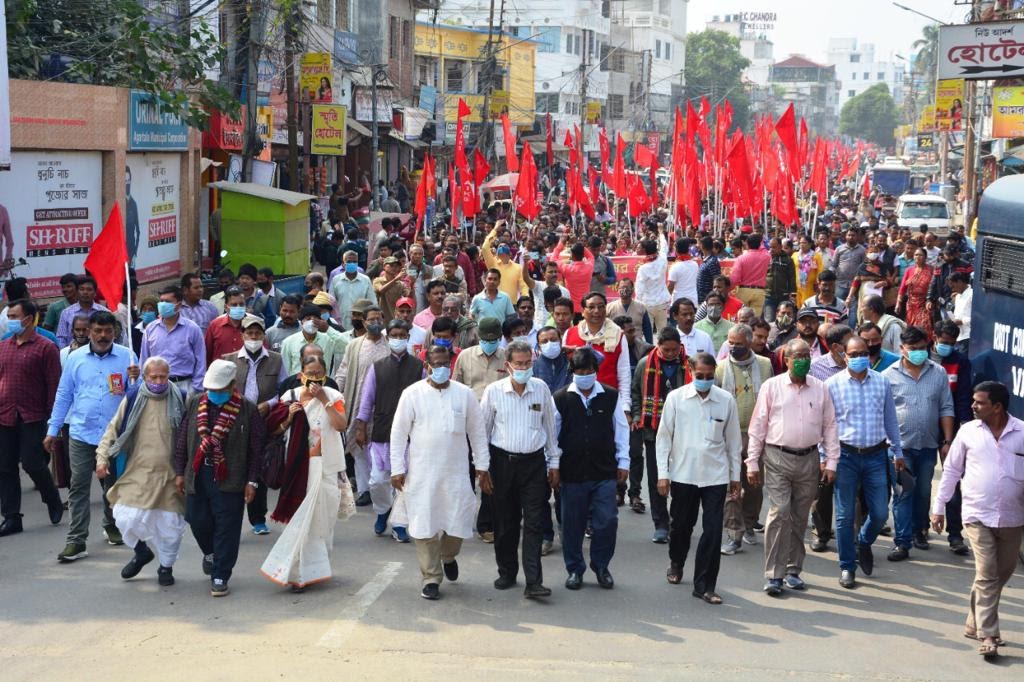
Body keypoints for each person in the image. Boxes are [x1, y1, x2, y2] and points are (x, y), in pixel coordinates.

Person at [930, 381, 1024, 660]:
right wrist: (938, 508)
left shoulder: (1021, 432)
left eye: (980, 402)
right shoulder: (968, 432)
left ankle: (973, 622)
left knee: (1001, 573)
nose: (973, 406)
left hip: (1013, 516)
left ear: (997, 407)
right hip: (977, 514)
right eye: (973, 400)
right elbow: (951, 471)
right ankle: (989, 634)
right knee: (986, 573)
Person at [389, 344, 491, 600]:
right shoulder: (412, 394)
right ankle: (431, 577)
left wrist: (482, 465)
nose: (442, 368)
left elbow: (477, 432)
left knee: (457, 522)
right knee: (424, 524)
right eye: (437, 364)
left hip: (456, 473)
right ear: (427, 366)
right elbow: (398, 433)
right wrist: (397, 468)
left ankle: (448, 556)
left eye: (446, 364)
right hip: (422, 473)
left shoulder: (464, 394)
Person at [746, 339, 839, 595]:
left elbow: (830, 426)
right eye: (797, 356)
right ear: (786, 360)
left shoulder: (820, 388)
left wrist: (832, 461)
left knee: (799, 516)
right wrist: (752, 462)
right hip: (777, 457)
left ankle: (792, 569)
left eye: (806, 355)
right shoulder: (772, 386)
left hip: (809, 459)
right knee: (780, 512)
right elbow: (758, 426)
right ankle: (773, 575)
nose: (803, 360)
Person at [46, 311, 140, 562]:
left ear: (115, 332)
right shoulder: (75, 358)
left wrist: (136, 379)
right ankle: (76, 540)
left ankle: (112, 524)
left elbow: (138, 397)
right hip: (81, 432)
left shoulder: (128, 357)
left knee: (112, 485)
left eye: (108, 331)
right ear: (89, 332)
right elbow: (64, 394)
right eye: (97, 330)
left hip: (114, 435)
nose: (102, 335)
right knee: (78, 485)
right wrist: (53, 430)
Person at [261, 355, 354, 592]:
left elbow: (341, 425)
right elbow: (274, 430)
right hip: (297, 467)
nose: (314, 378)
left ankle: (315, 569)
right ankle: (295, 574)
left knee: (321, 522)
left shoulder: (333, 396)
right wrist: (289, 418)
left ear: (325, 375)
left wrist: (324, 400)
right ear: (301, 375)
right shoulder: (289, 396)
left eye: (318, 374)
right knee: (299, 520)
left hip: (325, 466)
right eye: (310, 374)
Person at [174, 359, 266, 597]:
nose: (214, 393)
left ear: (233, 385)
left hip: (230, 476)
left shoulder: (247, 409)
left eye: (220, 389)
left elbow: (256, 448)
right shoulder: (195, 402)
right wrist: (179, 472)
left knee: (227, 527)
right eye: (211, 389)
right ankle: (211, 553)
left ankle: (220, 575)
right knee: (197, 519)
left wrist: (252, 481)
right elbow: (183, 438)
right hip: (198, 473)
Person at [656, 352, 741, 604]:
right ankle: (677, 561)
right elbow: (663, 438)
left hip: (716, 476)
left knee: (713, 532)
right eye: (700, 375)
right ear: (690, 370)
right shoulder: (676, 398)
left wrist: (735, 476)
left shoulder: (725, 400)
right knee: (681, 526)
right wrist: (663, 475)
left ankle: (704, 585)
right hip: (683, 474)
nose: (704, 380)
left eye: (709, 376)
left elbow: (733, 442)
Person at [94, 356, 186, 586]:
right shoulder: (134, 397)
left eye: (163, 376)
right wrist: (102, 458)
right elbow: (113, 428)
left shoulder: (182, 398)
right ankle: (141, 551)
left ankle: (166, 567)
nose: (159, 381)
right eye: (153, 377)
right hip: (138, 471)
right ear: (144, 377)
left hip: (171, 474)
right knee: (124, 515)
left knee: (170, 525)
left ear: (169, 376)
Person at [480, 340, 560, 599]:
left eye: (528, 364)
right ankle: (507, 571)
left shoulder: (541, 389)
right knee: (505, 523)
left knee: (535, 522)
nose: (524, 368)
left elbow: (550, 428)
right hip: (501, 463)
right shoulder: (494, 391)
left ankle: (534, 581)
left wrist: (554, 463)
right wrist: (482, 469)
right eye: (519, 364)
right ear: (508, 366)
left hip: (534, 465)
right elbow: (483, 432)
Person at [826, 335, 903, 589]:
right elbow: (826, 425)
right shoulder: (832, 385)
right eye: (854, 354)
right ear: (844, 356)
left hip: (876, 455)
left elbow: (890, 420)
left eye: (863, 353)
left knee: (880, 512)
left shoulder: (881, 382)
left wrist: (898, 452)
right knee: (844, 515)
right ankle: (847, 566)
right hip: (845, 456)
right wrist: (826, 457)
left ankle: (864, 541)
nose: (859, 358)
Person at [553, 347, 629, 590]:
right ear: (572, 372)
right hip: (572, 472)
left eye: (588, 371)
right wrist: (553, 466)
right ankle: (575, 569)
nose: (584, 375)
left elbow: (621, 430)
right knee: (572, 525)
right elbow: (552, 435)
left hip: (604, 470)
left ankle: (601, 565)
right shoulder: (560, 398)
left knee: (607, 521)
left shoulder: (611, 396)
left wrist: (623, 462)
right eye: (579, 371)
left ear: (595, 371)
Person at [882, 326, 955, 562]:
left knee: (923, 491)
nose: (918, 353)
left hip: (928, 445)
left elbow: (946, 407)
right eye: (913, 349)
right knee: (903, 493)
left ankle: (919, 531)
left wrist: (947, 441)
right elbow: (882, 413)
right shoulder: (888, 376)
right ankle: (902, 542)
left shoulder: (938, 373)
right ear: (902, 349)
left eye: (922, 348)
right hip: (900, 448)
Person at [353, 319, 423, 542]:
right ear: (387, 337)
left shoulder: (419, 367)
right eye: (394, 335)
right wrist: (361, 427)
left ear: (408, 337)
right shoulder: (378, 367)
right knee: (378, 480)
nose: (398, 339)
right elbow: (367, 400)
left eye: (402, 335)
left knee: (405, 482)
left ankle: (399, 524)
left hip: (411, 435)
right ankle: (383, 510)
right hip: (382, 431)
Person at [0, 299, 64, 535]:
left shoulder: (46, 347)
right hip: (5, 414)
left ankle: (52, 498)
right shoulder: (3, 346)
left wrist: (53, 421)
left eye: (14, 317)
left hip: (34, 416)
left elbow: (54, 385)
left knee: (32, 463)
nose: (10, 321)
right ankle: (11, 517)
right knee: (5, 467)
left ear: (28, 319)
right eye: (9, 316)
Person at [224, 314, 286, 534]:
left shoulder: (276, 360)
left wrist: (269, 404)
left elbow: (283, 390)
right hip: (235, 420)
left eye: (258, 333)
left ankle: (258, 518)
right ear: (242, 335)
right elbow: (222, 388)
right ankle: (231, 518)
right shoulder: (229, 360)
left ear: (263, 336)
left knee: (258, 466)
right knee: (234, 467)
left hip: (264, 419)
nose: (253, 337)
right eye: (249, 333)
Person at [716, 324, 773, 555]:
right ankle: (734, 534)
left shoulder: (765, 364)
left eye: (738, 343)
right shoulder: (721, 367)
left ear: (749, 342)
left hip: (757, 435)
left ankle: (749, 524)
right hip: (729, 434)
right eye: (730, 342)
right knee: (732, 486)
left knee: (754, 485)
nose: (733, 347)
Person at [630, 326, 690, 543]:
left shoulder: (689, 365)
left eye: (675, 350)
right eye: (666, 350)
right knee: (657, 478)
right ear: (658, 346)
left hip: (683, 431)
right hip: (653, 430)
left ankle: (678, 521)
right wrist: (638, 416)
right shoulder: (644, 364)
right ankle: (661, 524)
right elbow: (635, 393)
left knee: (681, 479)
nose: (671, 354)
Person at [336, 305, 390, 507]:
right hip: (357, 401)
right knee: (358, 447)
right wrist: (337, 393)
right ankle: (365, 489)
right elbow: (343, 371)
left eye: (378, 319)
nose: (375, 323)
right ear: (364, 322)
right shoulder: (354, 345)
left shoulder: (390, 344)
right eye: (371, 319)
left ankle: (382, 489)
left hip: (383, 405)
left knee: (380, 446)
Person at [562, 292, 632, 415]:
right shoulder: (570, 334)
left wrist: (625, 406)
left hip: (607, 399)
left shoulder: (618, 335)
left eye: (601, 307)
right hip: (575, 400)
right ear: (582, 311)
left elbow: (624, 373)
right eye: (591, 307)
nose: (596, 311)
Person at [139, 285, 206, 394]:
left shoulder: (193, 329)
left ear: (178, 305)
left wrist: (196, 388)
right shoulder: (150, 329)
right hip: (157, 386)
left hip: (185, 385)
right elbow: (144, 360)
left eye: (167, 301)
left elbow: (201, 361)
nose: (162, 305)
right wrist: (145, 386)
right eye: (161, 301)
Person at [281, 303, 346, 377]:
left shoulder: (328, 340)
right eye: (308, 319)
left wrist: (328, 329)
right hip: (298, 382)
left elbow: (347, 346)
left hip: (322, 382)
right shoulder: (289, 342)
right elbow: (286, 370)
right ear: (302, 321)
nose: (312, 322)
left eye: (315, 319)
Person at [56, 276, 110, 348]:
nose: (85, 292)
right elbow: (61, 338)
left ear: (95, 293)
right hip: (73, 352)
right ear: (77, 292)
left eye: (89, 289)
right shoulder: (66, 313)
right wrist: (66, 353)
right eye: (82, 289)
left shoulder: (104, 312)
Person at [330, 250, 377, 330]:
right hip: (341, 323)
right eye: (349, 261)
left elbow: (373, 302)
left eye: (354, 261)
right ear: (343, 264)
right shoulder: (336, 280)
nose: (352, 264)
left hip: (361, 323)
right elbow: (331, 302)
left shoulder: (365, 280)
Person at [634, 230, 671, 331]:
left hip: (648, 304)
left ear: (645, 251)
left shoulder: (643, 268)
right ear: (656, 249)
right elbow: (664, 247)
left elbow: (639, 290)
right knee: (663, 332)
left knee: (648, 332)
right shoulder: (663, 260)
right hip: (662, 302)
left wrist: (637, 305)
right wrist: (661, 233)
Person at [896, 247, 934, 339]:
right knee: (912, 327)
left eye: (920, 255)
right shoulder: (909, 270)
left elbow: (935, 286)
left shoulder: (931, 270)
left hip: (925, 303)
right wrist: (898, 303)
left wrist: (932, 300)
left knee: (925, 325)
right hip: (911, 304)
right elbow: (902, 288)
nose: (918, 257)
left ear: (925, 257)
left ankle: (925, 344)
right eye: (916, 255)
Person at [730, 234, 771, 316]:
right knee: (755, 319)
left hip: (744, 290)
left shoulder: (741, 258)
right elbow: (764, 249)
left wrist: (730, 289)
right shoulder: (766, 257)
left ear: (747, 244)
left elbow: (735, 279)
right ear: (760, 244)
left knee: (742, 317)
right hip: (760, 291)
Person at [204, 287, 247, 365]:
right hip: (219, 371)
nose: (238, 307)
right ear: (226, 307)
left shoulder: (253, 325)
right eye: (234, 305)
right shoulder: (214, 325)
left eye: (241, 304)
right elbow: (207, 354)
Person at [607, 278, 653, 345]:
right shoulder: (609, 308)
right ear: (617, 289)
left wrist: (650, 346)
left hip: (637, 345)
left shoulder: (641, 307)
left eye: (627, 288)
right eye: (622, 288)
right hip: (616, 345)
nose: (624, 290)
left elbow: (647, 329)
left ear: (632, 289)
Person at [763, 237, 796, 322]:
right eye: (770, 247)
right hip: (768, 296)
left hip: (783, 296)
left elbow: (792, 278)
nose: (771, 249)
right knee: (769, 320)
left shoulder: (788, 260)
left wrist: (793, 295)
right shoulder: (766, 258)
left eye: (774, 247)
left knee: (784, 320)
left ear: (780, 247)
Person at [830, 228, 866, 304]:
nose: (851, 237)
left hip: (855, 286)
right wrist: (830, 275)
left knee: (853, 308)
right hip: (840, 284)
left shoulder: (862, 250)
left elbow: (864, 267)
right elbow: (833, 265)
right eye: (849, 235)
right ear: (845, 236)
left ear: (857, 236)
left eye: (853, 235)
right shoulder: (839, 249)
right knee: (839, 306)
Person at [793, 235, 824, 307]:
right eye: (800, 243)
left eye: (804, 243)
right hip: (798, 287)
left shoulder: (816, 256)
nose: (802, 245)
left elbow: (820, 270)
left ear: (810, 244)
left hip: (811, 287)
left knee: (808, 306)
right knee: (799, 306)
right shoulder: (795, 255)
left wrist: (818, 283)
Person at [668, 237, 699, 306]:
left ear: (676, 250)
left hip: (678, 302)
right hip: (693, 300)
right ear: (688, 249)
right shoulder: (695, 264)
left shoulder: (675, 267)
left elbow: (670, 287)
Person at [947, 272, 972, 354]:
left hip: (969, 336)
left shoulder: (973, 294)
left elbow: (979, 318)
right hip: (958, 336)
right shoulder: (957, 296)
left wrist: (962, 321)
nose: (952, 290)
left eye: (953, 286)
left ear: (960, 282)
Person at [696, 236, 721, 305]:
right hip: (702, 298)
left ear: (702, 246)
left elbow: (717, 280)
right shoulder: (707, 260)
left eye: (699, 244)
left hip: (708, 299)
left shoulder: (712, 261)